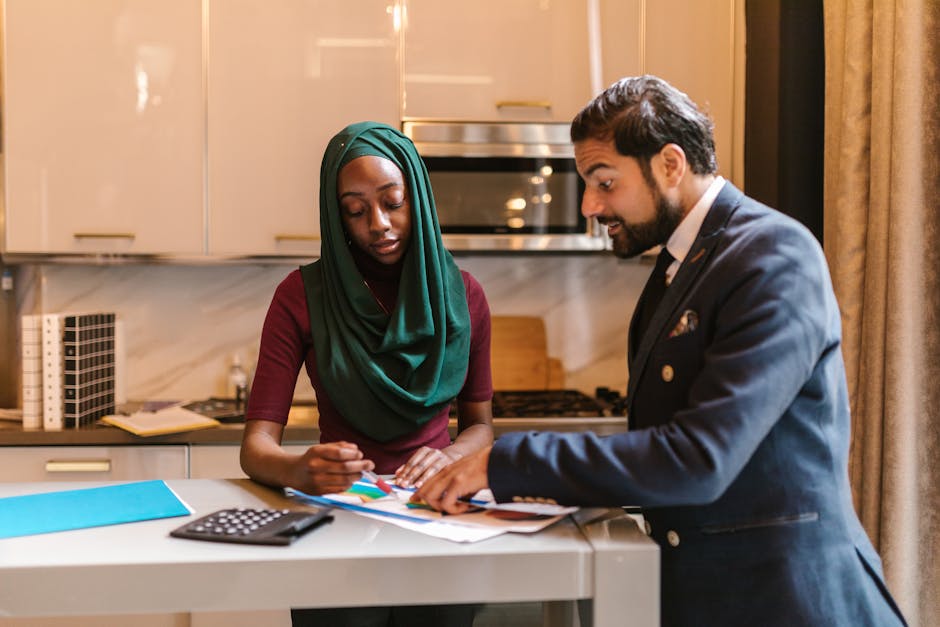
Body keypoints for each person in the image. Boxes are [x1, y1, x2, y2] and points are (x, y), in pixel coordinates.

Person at [417, 76, 908, 627]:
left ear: (670, 165)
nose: (589, 206)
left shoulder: (773, 254)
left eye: (605, 181)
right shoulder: (676, 268)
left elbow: (699, 459)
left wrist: (510, 461)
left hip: (789, 600)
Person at [241, 121, 493, 627]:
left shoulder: (464, 297)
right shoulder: (300, 297)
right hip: (337, 521)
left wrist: (449, 456)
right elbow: (255, 447)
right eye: (355, 211)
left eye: (392, 202)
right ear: (337, 219)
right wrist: (297, 471)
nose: (377, 223)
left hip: (438, 516)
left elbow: (480, 427)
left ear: (417, 198)